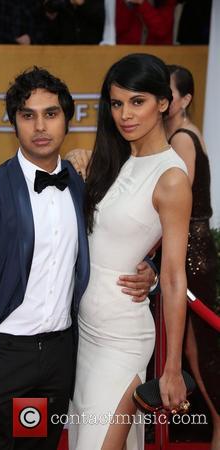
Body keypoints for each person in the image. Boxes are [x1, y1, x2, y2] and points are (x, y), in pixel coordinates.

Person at [0, 66, 156, 450]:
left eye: (51, 114)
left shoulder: (85, 185)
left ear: (67, 119)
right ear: (14, 123)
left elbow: (116, 241)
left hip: (57, 357)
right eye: (28, 115)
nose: (40, 126)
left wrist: (145, 269)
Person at [68, 53, 192, 450]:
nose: (125, 114)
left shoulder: (171, 178)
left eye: (137, 102)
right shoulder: (115, 156)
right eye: (117, 103)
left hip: (121, 340)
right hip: (82, 333)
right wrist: (75, 163)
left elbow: (174, 276)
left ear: (164, 103)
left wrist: (171, 369)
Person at [166, 64, 220, 449]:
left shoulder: (183, 138)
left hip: (192, 253)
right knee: (187, 346)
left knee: (199, 347)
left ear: (184, 99)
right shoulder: (178, 134)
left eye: (168, 91)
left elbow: (176, 205)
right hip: (187, 249)